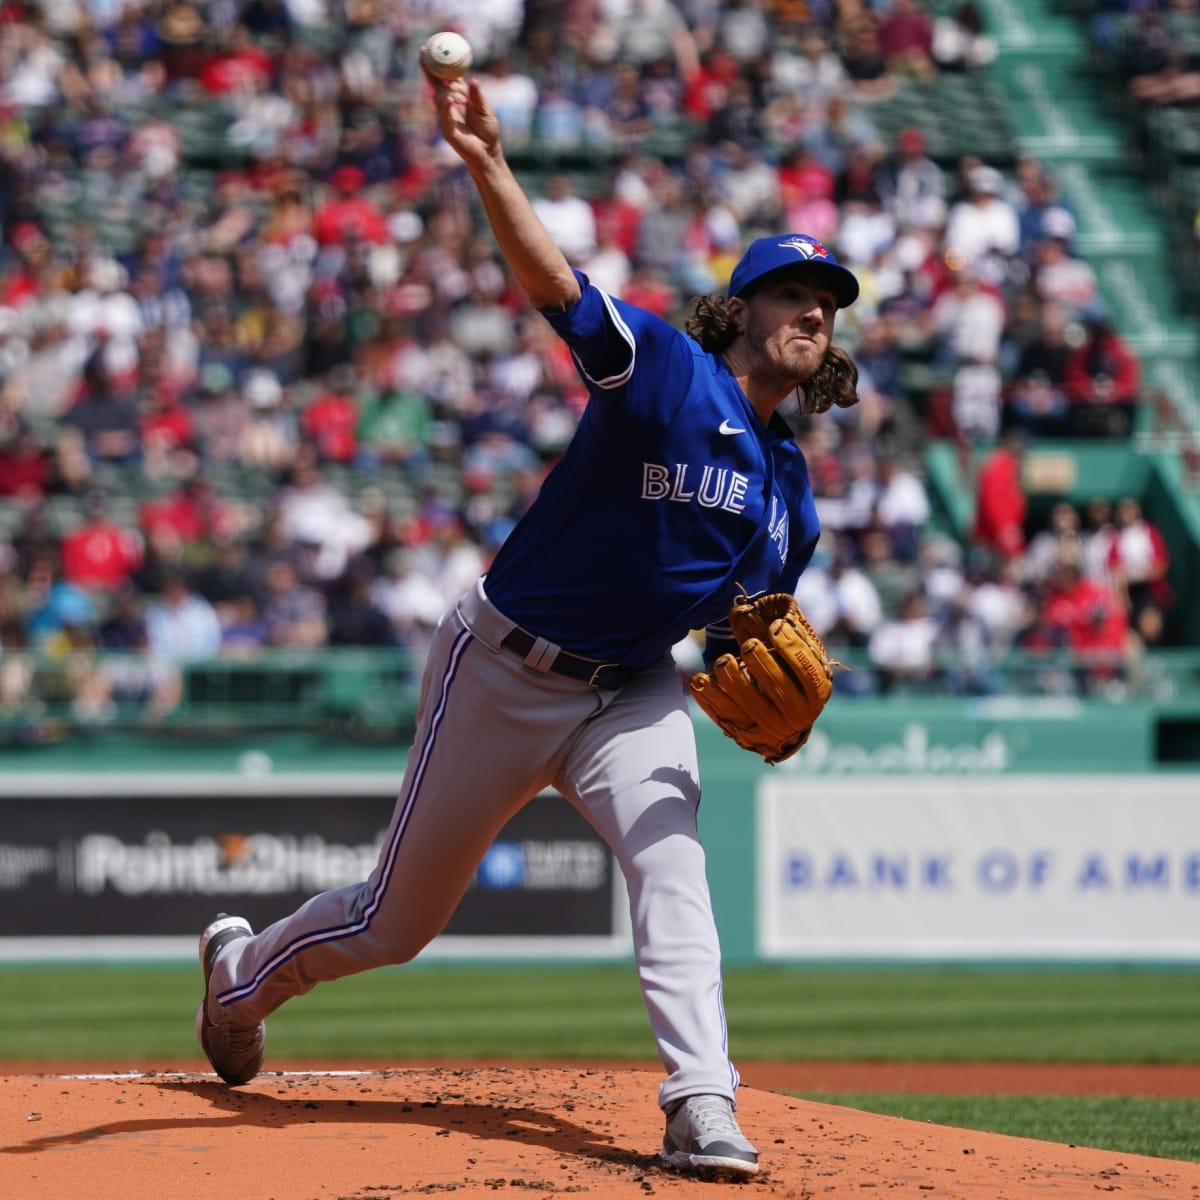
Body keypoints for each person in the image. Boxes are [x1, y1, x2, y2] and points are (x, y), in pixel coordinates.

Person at [194, 63, 861, 1180]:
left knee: (674, 868)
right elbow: (557, 284)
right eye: (795, 295)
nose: (815, 315)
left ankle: (701, 1100)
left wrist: (764, 687)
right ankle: (240, 978)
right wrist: (487, 162)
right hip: (502, 666)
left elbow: (742, 631)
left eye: (828, 304)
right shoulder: (665, 375)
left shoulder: (790, 490)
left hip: (632, 688)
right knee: (393, 924)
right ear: (742, 309)